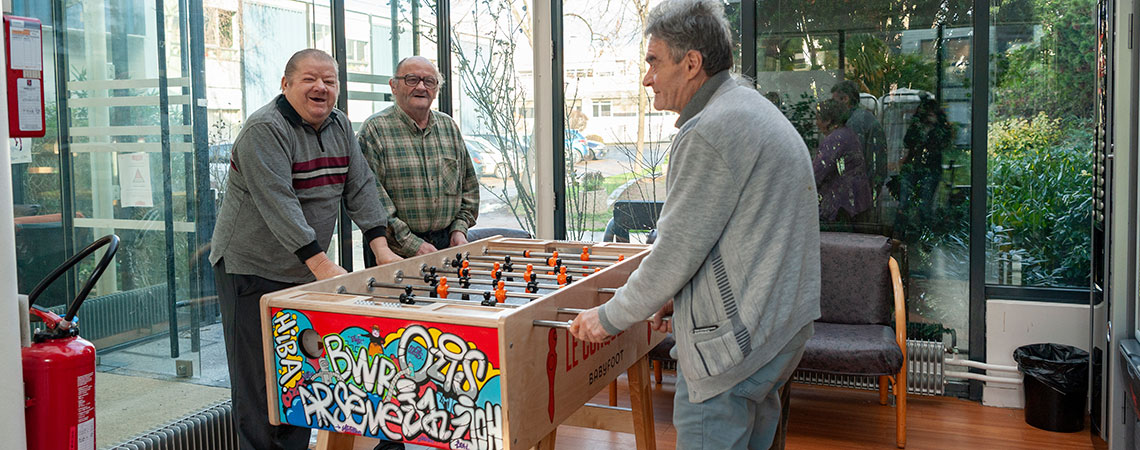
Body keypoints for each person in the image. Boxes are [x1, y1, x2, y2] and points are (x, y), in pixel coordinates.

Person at [568, 1, 821, 448]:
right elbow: (730, 235)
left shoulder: (712, 129)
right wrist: (676, 302)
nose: (646, 77)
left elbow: (674, 252)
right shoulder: (744, 108)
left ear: (691, 64)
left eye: (653, 62)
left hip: (737, 341)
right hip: (777, 326)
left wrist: (607, 319)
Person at [209, 48, 402, 450]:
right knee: (261, 386)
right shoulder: (264, 129)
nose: (321, 88)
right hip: (252, 269)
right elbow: (280, 204)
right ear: (285, 84)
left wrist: (381, 247)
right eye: (309, 79)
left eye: (329, 81)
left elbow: (361, 185)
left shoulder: (339, 125)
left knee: (295, 379)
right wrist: (323, 266)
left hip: (300, 272)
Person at [358, 56, 479, 259]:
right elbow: (371, 200)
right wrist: (412, 244)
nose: (421, 87)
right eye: (412, 79)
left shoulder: (448, 127)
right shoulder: (374, 130)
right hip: (393, 250)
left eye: (429, 81)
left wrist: (459, 229)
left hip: (447, 243)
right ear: (394, 86)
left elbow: (469, 188)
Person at [894, 95, 953, 240]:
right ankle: (901, 234)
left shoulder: (940, 130)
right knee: (904, 202)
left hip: (930, 169)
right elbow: (907, 142)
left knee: (925, 204)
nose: (929, 115)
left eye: (932, 113)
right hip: (914, 167)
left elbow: (943, 144)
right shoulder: (916, 127)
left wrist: (935, 127)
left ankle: (922, 235)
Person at [812, 98, 873, 223]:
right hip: (857, 202)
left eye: (818, 118)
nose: (816, 123)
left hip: (843, 205)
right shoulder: (847, 134)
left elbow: (817, 173)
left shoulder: (835, 139)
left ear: (828, 120)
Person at [831, 80, 887, 202]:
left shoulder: (855, 123)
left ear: (845, 99)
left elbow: (853, 161)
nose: (833, 106)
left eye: (835, 102)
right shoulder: (863, 117)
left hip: (860, 188)